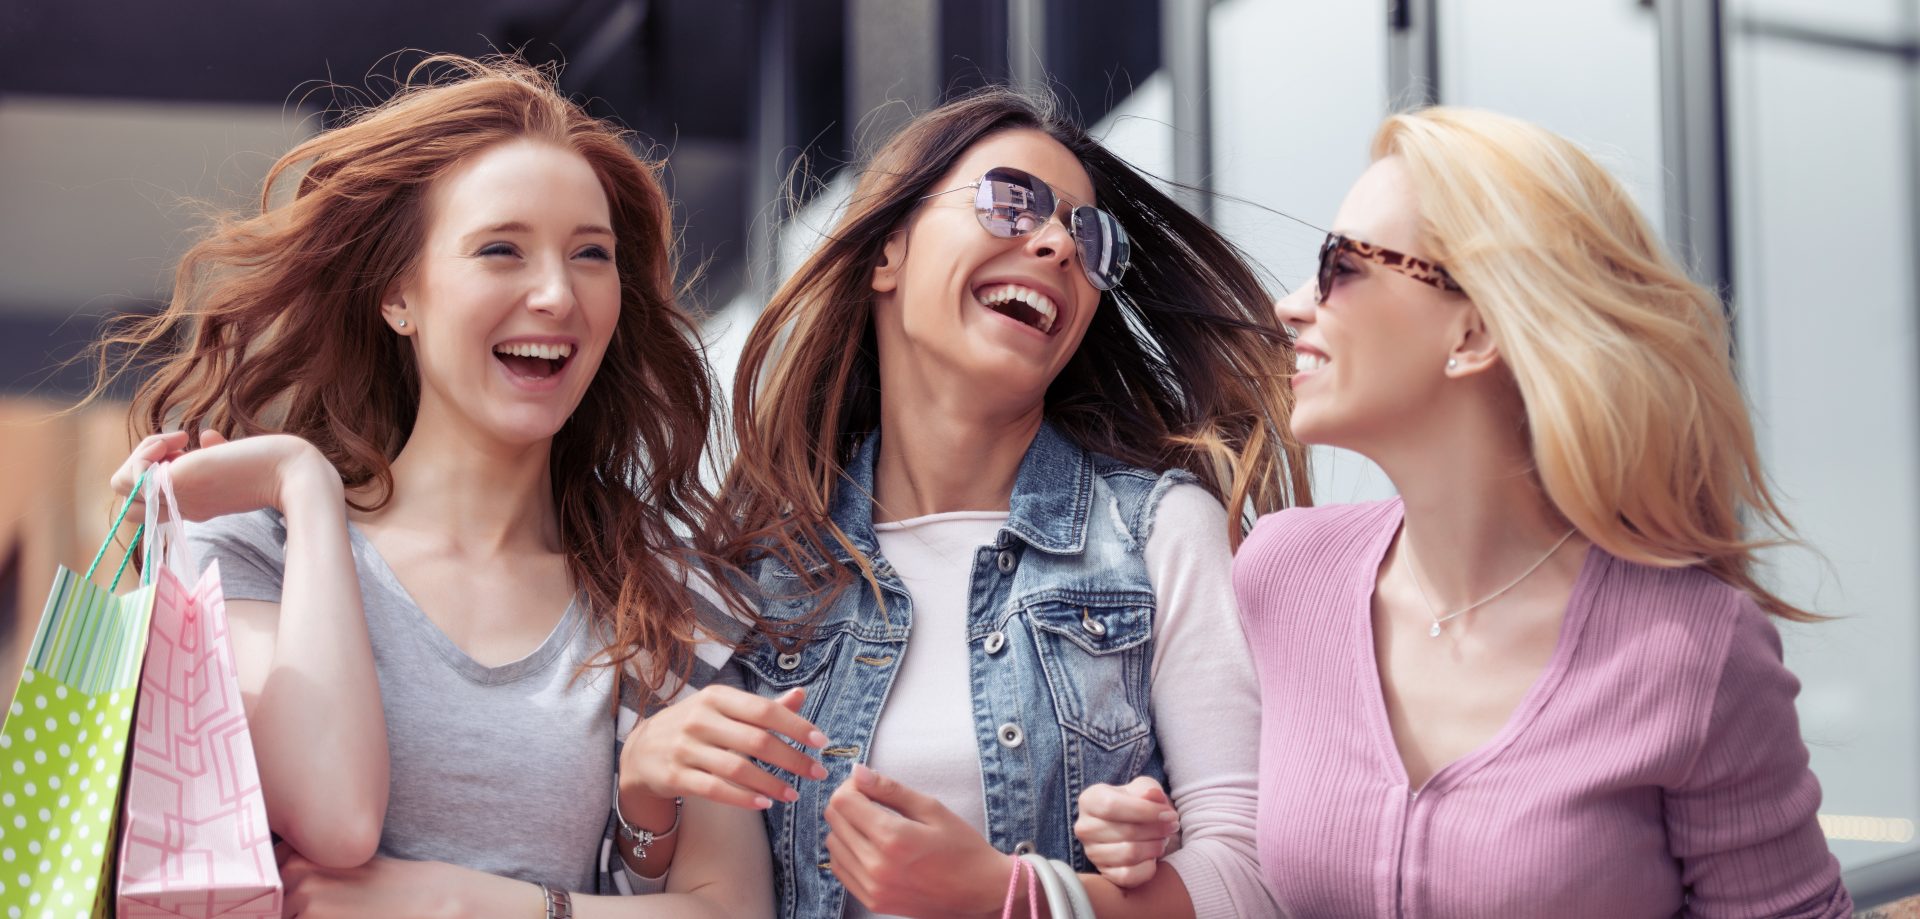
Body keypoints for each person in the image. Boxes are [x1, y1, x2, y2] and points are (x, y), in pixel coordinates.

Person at [1080, 106, 1851, 917]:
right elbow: (1260, 865)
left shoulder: (1696, 649)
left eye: (1342, 265)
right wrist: (1157, 838)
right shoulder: (1282, 569)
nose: (1291, 305)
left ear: (1476, 329)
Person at [95, 54, 772, 917]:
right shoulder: (256, 550)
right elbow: (335, 816)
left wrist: (467, 902)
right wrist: (302, 483)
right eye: (502, 249)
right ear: (397, 295)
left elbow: (730, 910)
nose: (558, 294)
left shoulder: (667, 596)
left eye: (590, 255)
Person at [614, 86, 1310, 919]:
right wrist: (641, 799)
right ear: (888, 254)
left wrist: (1015, 895)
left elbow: (1257, 885)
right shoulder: (754, 579)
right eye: (1011, 203)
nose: (1056, 243)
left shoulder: (1157, 531)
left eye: (1091, 239)